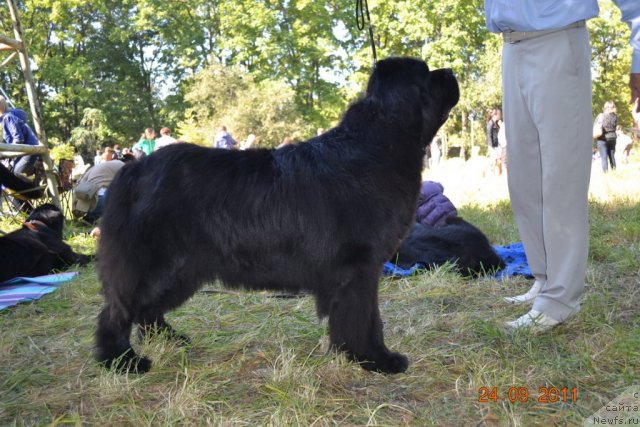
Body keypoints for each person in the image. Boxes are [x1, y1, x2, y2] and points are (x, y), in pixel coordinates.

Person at [485, 1, 640, 330]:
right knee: (525, 178)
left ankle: (559, 300)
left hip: (557, 39)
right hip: (511, 46)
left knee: (561, 176)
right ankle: (544, 278)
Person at [72, 153, 136, 224]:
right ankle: (92, 217)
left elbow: (81, 181)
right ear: (130, 163)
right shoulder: (123, 167)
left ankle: (90, 217)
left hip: (81, 199)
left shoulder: (105, 164)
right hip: (96, 199)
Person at [0, 95, 41, 178]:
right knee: (10, 170)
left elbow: (18, 139)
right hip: (24, 151)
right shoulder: (6, 117)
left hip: (29, 150)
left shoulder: (8, 117)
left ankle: (38, 170)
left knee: (15, 174)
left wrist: (7, 152)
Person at [593, 100, 618, 172]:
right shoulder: (615, 116)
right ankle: (614, 171)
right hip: (613, 138)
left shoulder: (601, 115)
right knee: (612, 156)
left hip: (603, 138)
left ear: (605, 107)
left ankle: (605, 173)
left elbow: (596, 125)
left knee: (604, 157)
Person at [485, 108, 502, 175]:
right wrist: (490, 145)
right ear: (495, 115)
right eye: (498, 114)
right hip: (492, 145)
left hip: (497, 144)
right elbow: (489, 134)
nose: (500, 116)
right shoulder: (490, 123)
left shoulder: (497, 124)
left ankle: (499, 174)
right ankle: (487, 171)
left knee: (499, 160)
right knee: (494, 160)